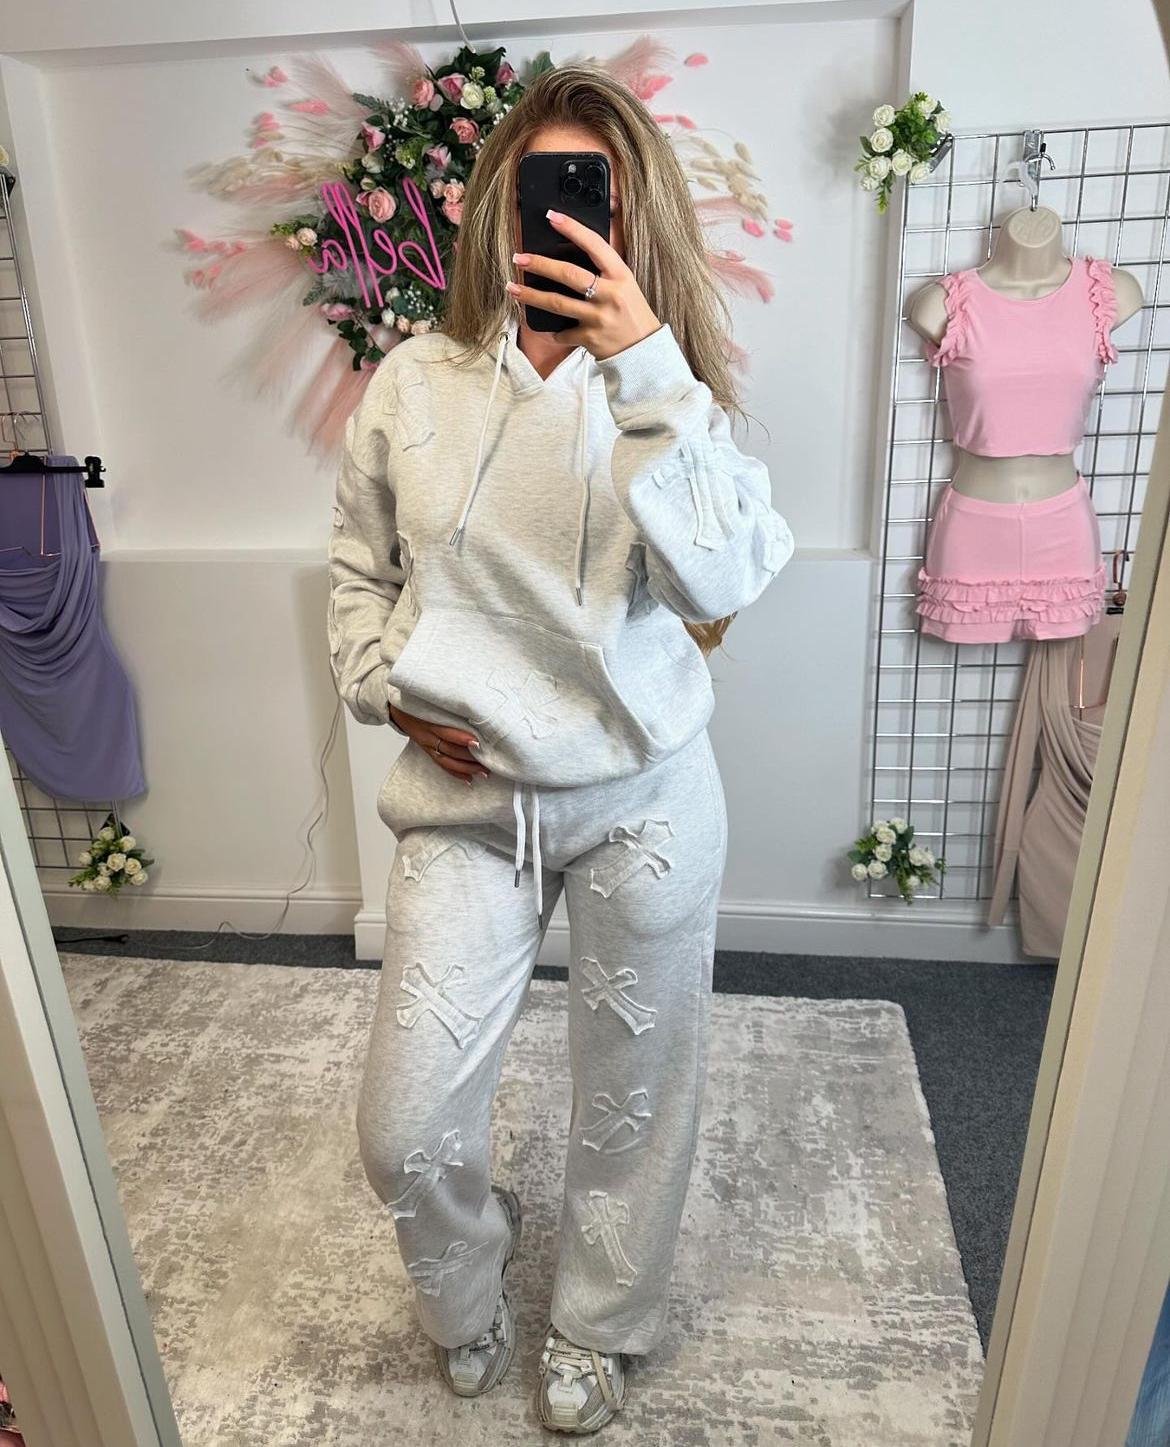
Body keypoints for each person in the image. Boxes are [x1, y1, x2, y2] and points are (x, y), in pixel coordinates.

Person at [327, 62, 794, 1434]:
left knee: (633, 1100)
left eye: (597, 194)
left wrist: (646, 368)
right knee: (404, 1128)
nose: (571, 219)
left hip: (642, 796)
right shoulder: (415, 381)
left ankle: (600, 1320)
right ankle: (465, 1282)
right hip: (465, 799)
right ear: (497, 207)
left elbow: (720, 583)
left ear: (639, 216)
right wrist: (380, 686)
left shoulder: (672, 394)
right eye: (545, 191)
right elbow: (356, 570)